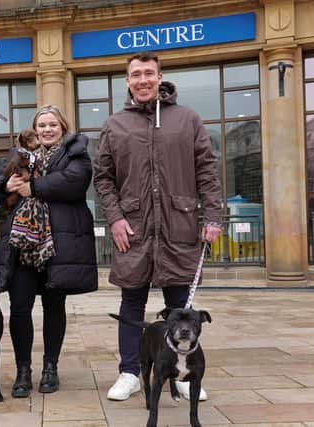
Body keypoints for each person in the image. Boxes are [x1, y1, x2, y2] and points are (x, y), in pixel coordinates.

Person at [93, 51, 222, 402]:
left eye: (149, 73)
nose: (143, 80)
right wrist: (115, 217)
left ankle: (183, 372)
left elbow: (207, 172)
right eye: (136, 74)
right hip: (132, 229)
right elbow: (103, 179)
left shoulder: (187, 119)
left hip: (178, 225)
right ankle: (129, 372)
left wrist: (212, 216)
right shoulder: (115, 124)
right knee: (131, 303)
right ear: (127, 81)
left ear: (160, 76)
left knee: (180, 302)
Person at [0, 105, 98, 398]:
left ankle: (50, 367)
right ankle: (24, 370)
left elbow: (75, 181)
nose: (47, 130)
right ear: (34, 131)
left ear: (62, 127)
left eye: (52, 125)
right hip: (22, 246)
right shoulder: (19, 154)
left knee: (53, 307)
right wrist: (5, 184)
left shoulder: (76, 152)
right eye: (41, 126)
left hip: (56, 246)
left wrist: (32, 187)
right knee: (19, 308)